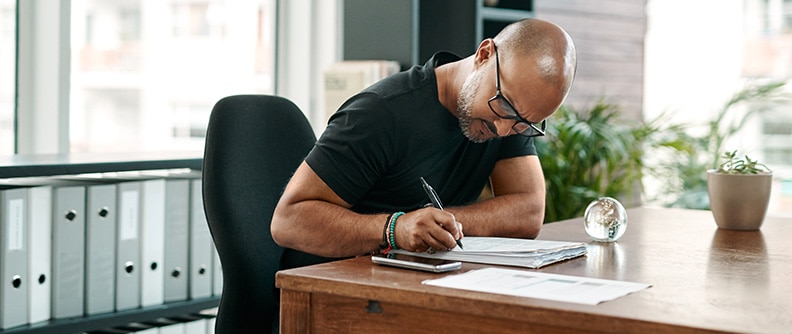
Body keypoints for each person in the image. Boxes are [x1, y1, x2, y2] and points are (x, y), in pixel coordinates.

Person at [271, 18, 576, 258]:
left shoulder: (510, 110)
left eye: (525, 124)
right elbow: (288, 221)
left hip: (412, 280)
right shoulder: (380, 113)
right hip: (334, 280)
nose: (503, 130)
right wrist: (395, 228)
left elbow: (528, 211)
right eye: (505, 106)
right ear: (484, 55)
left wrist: (442, 224)